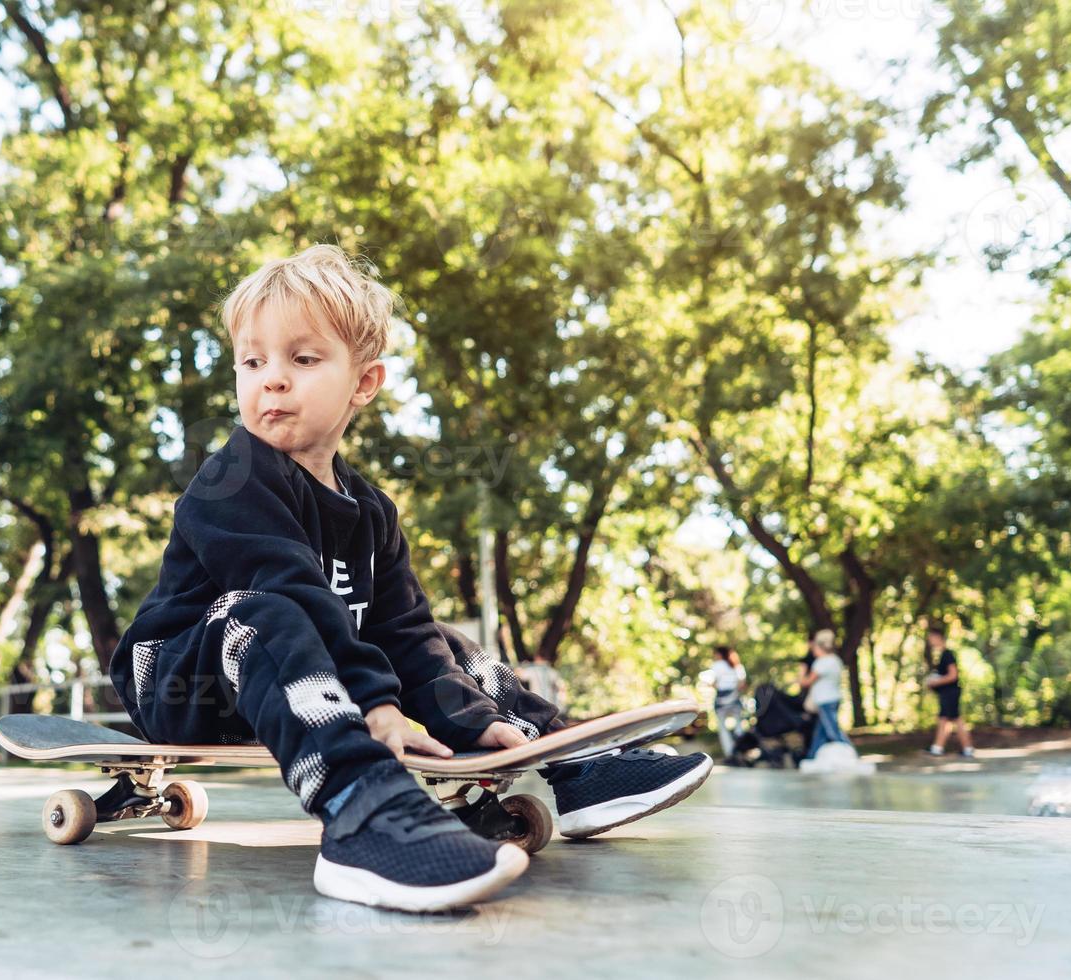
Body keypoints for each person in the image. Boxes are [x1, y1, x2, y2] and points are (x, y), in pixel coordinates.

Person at [108, 245, 713, 913]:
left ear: (364, 383)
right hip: (183, 676)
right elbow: (291, 593)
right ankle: (361, 815)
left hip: (307, 679)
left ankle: (561, 765)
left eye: (302, 360)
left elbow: (401, 630)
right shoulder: (232, 481)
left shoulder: (370, 511)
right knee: (265, 612)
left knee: (442, 641)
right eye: (252, 363)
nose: (271, 381)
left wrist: (465, 715)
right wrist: (376, 706)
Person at [923, 624, 974, 757]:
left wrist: (935, 682)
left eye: (931, 638)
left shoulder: (947, 654)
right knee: (951, 719)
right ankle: (964, 748)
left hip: (951, 693)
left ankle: (939, 748)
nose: (930, 641)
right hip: (947, 693)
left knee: (948, 719)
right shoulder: (943, 655)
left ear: (938, 637)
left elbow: (953, 675)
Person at [802, 629, 849, 759]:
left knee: (833, 731)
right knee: (820, 733)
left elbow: (806, 682)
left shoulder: (822, 663)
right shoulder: (836, 660)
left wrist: (801, 674)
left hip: (825, 701)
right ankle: (812, 757)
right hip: (833, 699)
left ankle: (850, 754)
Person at [710, 646, 747, 760]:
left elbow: (714, 683)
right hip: (734, 698)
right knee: (739, 724)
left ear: (720, 654)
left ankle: (730, 753)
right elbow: (742, 684)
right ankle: (742, 749)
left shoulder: (717, 665)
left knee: (722, 727)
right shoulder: (737, 666)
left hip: (721, 699)